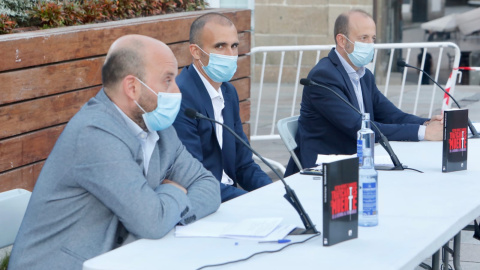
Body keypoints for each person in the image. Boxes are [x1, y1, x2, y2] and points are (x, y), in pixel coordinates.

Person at [8, 35, 221, 270]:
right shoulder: (94, 133)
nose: (177, 90)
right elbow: (152, 222)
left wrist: (166, 209)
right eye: (167, 80)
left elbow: (208, 186)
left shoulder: (160, 129)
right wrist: (173, 190)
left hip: (119, 260)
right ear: (132, 87)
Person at [285, 9, 443, 176]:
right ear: (341, 40)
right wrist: (425, 133)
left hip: (359, 162)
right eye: (363, 38)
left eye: (372, 39)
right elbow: (358, 127)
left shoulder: (364, 75)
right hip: (325, 170)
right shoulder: (323, 76)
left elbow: (391, 115)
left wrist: (426, 123)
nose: (369, 44)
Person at [173, 13, 272, 202]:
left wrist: (275, 193)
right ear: (195, 51)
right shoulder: (182, 97)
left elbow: (243, 164)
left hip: (230, 196)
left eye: (234, 46)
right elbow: (194, 179)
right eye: (220, 46)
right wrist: (253, 202)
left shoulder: (228, 91)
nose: (230, 54)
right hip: (203, 201)